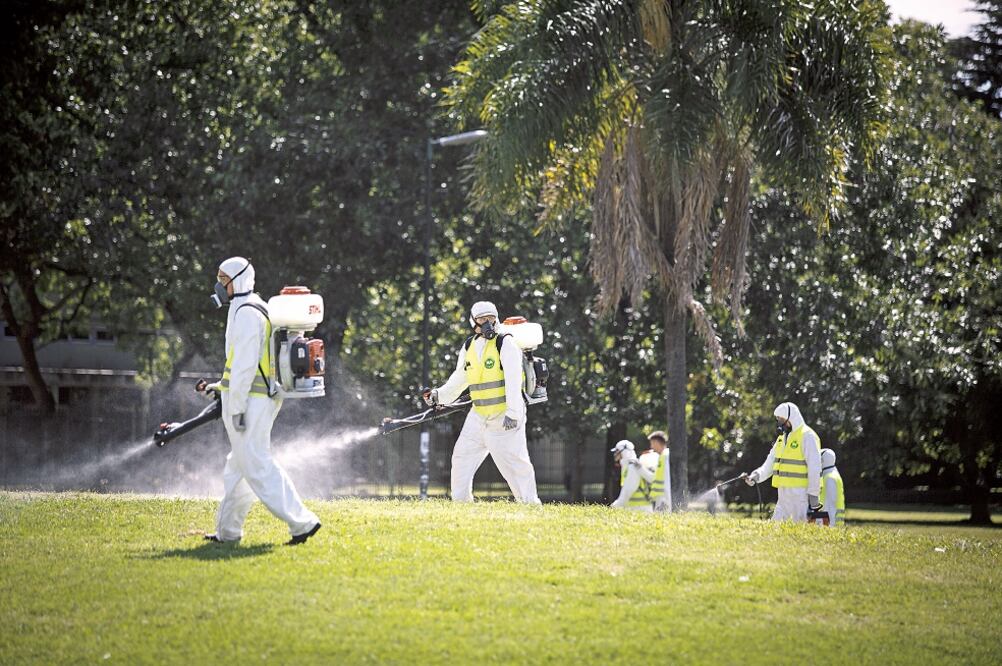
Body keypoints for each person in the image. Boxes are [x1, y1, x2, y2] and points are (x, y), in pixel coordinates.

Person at [202, 257, 321, 545]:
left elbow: (244, 366)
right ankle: (228, 533)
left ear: (238, 279)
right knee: (238, 467)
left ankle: (303, 522)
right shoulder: (253, 307)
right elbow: (243, 365)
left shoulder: (246, 313)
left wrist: (238, 407)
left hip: (251, 402)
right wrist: (220, 387)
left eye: (223, 278)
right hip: (256, 397)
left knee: (255, 464)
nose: (219, 284)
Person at [425, 301, 541, 504]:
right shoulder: (469, 345)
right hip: (478, 415)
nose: (487, 323)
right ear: (473, 321)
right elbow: (459, 379)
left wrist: (513, 414)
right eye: (481, 319)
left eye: (490, 318)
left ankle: (530, 504)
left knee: (514, 464)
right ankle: (461, 502)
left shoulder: (505, 343)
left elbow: (514, 382)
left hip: (504, 416)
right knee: (461, 458)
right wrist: (438, 395)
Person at [744, 402, 822, 522]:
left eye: (782, 419)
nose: (780, 423)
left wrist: (813, 496)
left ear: (792, 417)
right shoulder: (781, 439)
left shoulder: (807, 436)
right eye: (778, 419)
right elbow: (769, 463)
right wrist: (757, 475)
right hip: (783, 494)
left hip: (801, 495)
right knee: (775, 528)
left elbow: (815, 468)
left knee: (800, 530)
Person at [610, 440, 655, 512]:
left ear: (624, 451)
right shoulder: (628, 466)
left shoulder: (632, 466)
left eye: (617, 451)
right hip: (636, 507)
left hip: (640, 508)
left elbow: (628, 490)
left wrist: (616, 505)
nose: (615, 454)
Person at [646, 430, 672, 513]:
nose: (651, 446)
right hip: (661, 497)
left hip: (664, 498)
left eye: (652, 443)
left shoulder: (665, 455)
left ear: (656, 442)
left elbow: (667, 478)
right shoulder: (663, 456)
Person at [819, 448, 845, 526]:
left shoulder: (830, 478)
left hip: (831, 524)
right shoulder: (832, 474)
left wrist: (827, 525)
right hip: (832, 522)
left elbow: (830, 505)